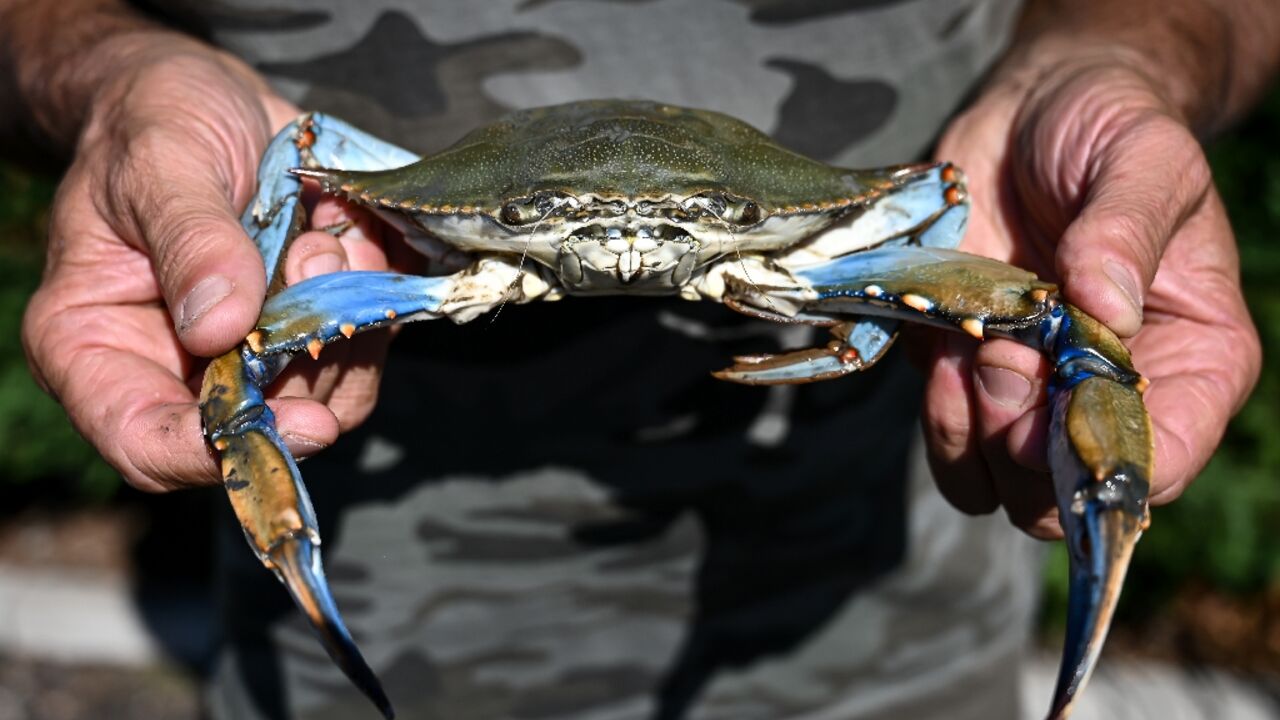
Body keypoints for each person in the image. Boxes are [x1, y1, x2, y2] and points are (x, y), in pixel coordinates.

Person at [3, 0, 1275, 718]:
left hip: (889, 661)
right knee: (242, 374)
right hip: (339, 670)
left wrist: (1127, 49)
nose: (624, 251)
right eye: (554, 227)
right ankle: (312, 591)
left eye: (681, 231)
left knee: (1068, 327)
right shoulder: (371, 192)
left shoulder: (889, 218)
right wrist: (107, 73)